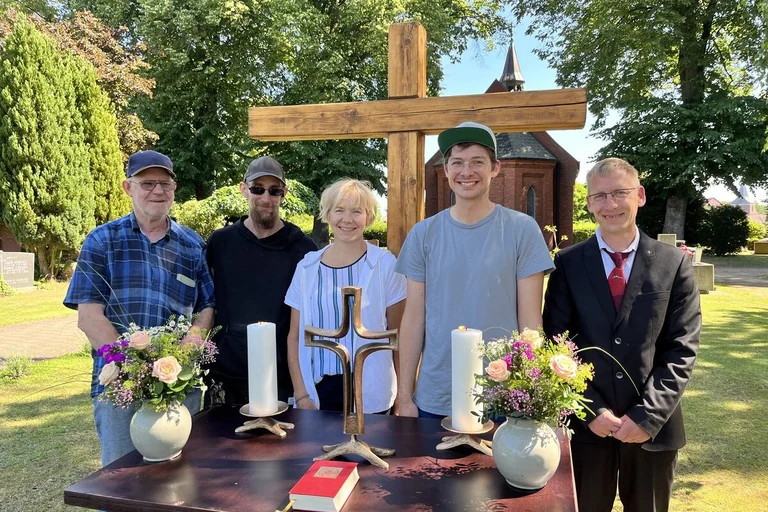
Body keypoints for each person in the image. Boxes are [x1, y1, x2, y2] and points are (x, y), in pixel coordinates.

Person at [543, 158, 701, 512]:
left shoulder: (673, 263)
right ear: (588, 203)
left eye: (619, 193)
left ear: (640, 195)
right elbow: (557, 345)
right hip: (587, 430)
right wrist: (591, 411)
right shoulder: (567, 265)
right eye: (599, 196)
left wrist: (647, 417)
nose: (610, 204)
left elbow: (682, 348)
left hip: (652, 430)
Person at [64, 149, 215, 468]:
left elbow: (207, 307)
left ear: (174, 189)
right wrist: (133, 367)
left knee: (182, 479)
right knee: (122, 482)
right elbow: (89, 317)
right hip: (121, 388)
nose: (157, 191)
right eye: (147, 183)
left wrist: (185, 354)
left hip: (179, 388)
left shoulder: (192, 245)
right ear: (127, 187)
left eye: (165, 183)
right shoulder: (102, 241)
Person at [395, 122, 554, 418]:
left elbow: (531, 320)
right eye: (457, 162)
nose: (466, 172)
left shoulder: (522, 230)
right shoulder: (423, 234)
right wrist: (405, 396)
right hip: (437, 395)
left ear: (495, 168)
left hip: (504, 393)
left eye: (477, 162)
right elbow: (413, 318)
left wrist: (531, 390)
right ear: (446, 170)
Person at [285, 179, 405, 413]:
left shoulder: (384, 265)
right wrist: (301, 396)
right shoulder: (307, 268)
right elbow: (294, 337)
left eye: (356, 211)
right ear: (328, 214)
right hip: (319, 391)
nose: (347, 219)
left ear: (368, 216)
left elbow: (399, 337)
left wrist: (403, 397)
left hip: (370, 389)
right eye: (339, 210)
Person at [205, 156, 316, 406]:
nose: (266, 198)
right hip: (226, 376)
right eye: (258, 189)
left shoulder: (303, 249)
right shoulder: (220, 243)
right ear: (243, 189)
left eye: (274, 191)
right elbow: (207, 303)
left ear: (284, 193)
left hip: (281, 378)